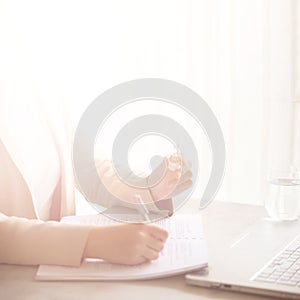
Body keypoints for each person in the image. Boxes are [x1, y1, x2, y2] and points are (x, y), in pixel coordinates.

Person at [0, 97, 192, 267]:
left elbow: (89, 168)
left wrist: (150, 188)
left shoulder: (34, 76)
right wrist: (91, 242)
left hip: (58, 277)